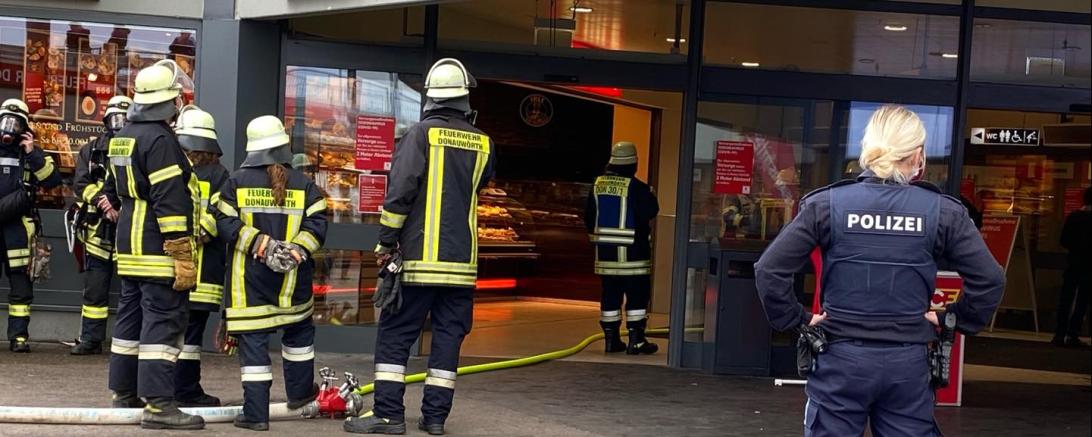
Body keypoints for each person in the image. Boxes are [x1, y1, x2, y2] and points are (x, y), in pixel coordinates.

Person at [754, 105, 1006, 436]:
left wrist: (797, 320)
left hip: (840, 359)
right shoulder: (943, 213)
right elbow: (990, 279)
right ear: (918, 156)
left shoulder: (827, 205)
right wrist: (952, 317)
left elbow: (769, 269)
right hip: (907, 366)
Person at [344, 58, 496, 436]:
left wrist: (385, 241)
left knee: (396, 336)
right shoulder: (484, 142)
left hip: (418, 260)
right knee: (447, 341)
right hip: (462, 265)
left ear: (430, 97)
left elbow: (400, 193)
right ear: (463, 98)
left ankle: (389, 416)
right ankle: (435, 418)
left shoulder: (419, 135)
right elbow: (478, 189)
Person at [101, 59, 204, 430]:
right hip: (156, 246)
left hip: (128, 245)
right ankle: (160, 405)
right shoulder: (160, 140)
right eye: (176, 99)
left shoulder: (123, 135)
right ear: (167, 101)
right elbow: (170, 199)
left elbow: (113, 191)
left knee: (130, 320)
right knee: (163, 322)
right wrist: (180, 250)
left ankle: (123, 394)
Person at [215, 115, 327, 432]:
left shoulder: (235, 182)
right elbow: (318, 227)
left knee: (254, 348)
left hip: (249, 284)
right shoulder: (306, 185)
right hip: (293, 284)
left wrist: (260, 245)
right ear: (283, 146)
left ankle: (256, 415)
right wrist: (294, 252)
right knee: (299, 340)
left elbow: (223, 224)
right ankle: (301, 396)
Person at [172, 105, 229, 406]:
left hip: (176, 265)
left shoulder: (173, 169)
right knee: (191, 337)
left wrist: (184, 237)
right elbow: (218, 215)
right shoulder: (221, 174)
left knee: (172, 332)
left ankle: (168, 388)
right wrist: (200, 234)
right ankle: (187, 391)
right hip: (205, 272)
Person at [584, 141, 660, 354]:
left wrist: (598, 241)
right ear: (633, 164)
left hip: (606, 254)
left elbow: (589, 216)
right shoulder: (638, 187)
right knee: (637, 295)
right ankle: (636, 341)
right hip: (634, 254)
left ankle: (611, 340)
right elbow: (650, 211)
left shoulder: (597, 185)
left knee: (610, 295)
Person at [70, 95, 132, 355]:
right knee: (95, 290)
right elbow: (81, 184)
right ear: (105, 121)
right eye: (114, 118)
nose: (118, 124)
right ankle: (91, 340)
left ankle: (129, 342)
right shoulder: (91, 150)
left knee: (132, 290)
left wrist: (118, 205)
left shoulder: (136, 148)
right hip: (97, 229)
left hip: (128, 227)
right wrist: (102, 202)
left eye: (123, 118)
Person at [0, 98, 62, 353]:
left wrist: (32, 151)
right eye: (5, 121)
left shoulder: (30, 154)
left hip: (19, 229)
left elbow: (52, 180)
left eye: (16, 123)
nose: (9, 128)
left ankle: (18, 337)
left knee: (21, 288)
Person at [1053, 187, 1091, 347]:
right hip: (1089, 266)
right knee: (1083, 300)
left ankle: (1059, 334)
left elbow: (1064, 240)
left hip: (1073, 263)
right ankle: (1073, 334)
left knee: (1066, 299)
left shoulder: (1074, 217)